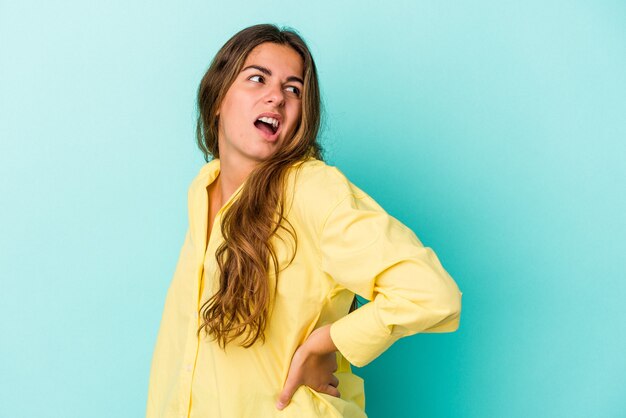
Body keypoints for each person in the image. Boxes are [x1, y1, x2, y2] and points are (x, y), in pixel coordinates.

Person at [145, 23, 463, 418]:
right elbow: (184, 353)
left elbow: (432, 293)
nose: (276, 97)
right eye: (257, 78)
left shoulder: (311, 189)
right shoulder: (202, 189)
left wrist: (327, 342)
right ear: (217, 98)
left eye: (293, 89)